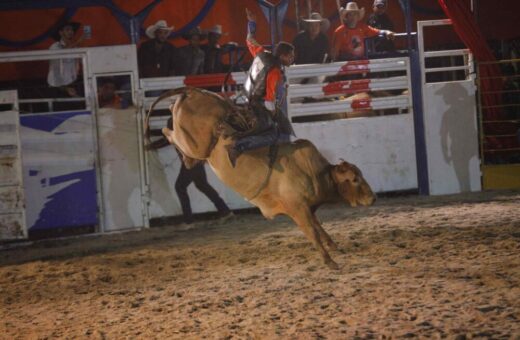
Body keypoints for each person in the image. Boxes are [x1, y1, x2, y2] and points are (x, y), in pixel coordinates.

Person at [225, 8, 296, 167]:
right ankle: (238, 146)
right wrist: (275, 113)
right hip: (257, 106)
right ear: (283, 55)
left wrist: (252, 23)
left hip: (243, 97)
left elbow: (249, 39)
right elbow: (269, 100)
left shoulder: (261, 53)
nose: (292, 59)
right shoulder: (276, 71)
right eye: (290, 56)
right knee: (276, 135)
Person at [147, 118, 234, 227]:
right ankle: (225, 211)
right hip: (196, 162)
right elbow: (166, 140)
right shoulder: (184, 133)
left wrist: (150, 146)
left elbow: (165, 140)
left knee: (180, 187)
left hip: (191, 163)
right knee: (202, 186)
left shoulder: (178, 134)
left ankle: (189, 221)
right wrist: (151, 145)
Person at [47, 21, 85, 97]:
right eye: (67, 30)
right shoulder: (54, 46)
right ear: (60, 33)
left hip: (73, 83)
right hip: (58, 86)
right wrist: (77, 42)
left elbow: (80, 64)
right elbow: (61, 54)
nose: (71, 32)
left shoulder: (75, 48)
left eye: (72, 30)